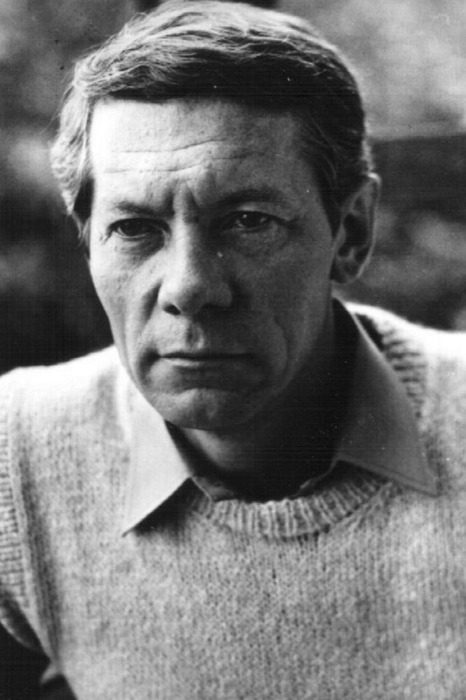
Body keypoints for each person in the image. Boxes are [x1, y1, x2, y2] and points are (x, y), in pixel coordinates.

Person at [1, 1, 466, 698]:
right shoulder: (18, 459)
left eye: (249, 222)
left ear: (351, 232)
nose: (190, 287)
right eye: (134, 229)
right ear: (86, 240)